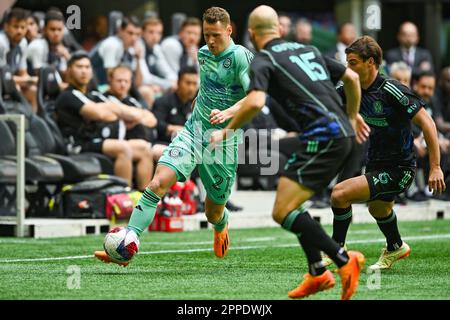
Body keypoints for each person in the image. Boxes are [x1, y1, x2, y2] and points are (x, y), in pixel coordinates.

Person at [211, 5, 366, 300]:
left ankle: (344, 260)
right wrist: (352, 115)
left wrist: (227, 131)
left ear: (253, 34)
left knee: (282, 211)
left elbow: (255, 102)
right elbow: (353, 79)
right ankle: (318, 272)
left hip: (324, 138)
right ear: (280, 30)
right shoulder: (308, 50)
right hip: (338, 134)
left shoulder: (264, 59)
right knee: (290, 199)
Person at [94, 7, 252, 264]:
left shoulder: (241, 57)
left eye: (215, 35)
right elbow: (210, 87)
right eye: (206, 35)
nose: (210, 41)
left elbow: (254, 97)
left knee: (212, 212)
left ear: (229, 30)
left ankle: (221, 223)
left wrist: (226, 114)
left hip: (223, 141)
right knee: (158, 183)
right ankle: (128, 242)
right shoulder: (202, 54)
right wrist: (197, 105)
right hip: (193, 132)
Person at [327, 36, 445, 270]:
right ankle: (396, 246)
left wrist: (435, 166)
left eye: (352, 62)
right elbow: (326, 102)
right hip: (375, 162)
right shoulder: (351, 87)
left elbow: (428, 123)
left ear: (370, 62)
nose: (348, 68)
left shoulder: (392, 90)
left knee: (339, 194)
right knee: (378, 208)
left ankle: (335, 250)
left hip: (400, 168)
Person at [55, 51, 155, 190]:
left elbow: (118, 111)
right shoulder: (68, 95)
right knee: (123, 148)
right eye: (79, 67)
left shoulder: (94, 95)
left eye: (87, 67)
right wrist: (115, 111)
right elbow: (99, 114)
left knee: (144, 148)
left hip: (98, 141)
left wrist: (112, 109)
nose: (84, 71)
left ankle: (146, 201)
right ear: (69, 71)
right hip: (78, 144)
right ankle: (123, 198)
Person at [0, 8, 38, 112]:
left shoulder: (23, 43)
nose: (19, 31)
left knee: (33, 91)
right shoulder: (1, 42)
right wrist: (30, 80)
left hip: (11, 84)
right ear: (6, 27)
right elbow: (2, 78)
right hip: (2, 84)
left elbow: (23, 73)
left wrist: (29, 81)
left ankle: (33, 123)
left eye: (23, 27)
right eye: (16, 27)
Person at [27, 9, 72, 77]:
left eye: (59, 29)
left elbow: (65, 75)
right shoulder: (37, 46)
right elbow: (40, 76)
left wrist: (68, 57)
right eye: (52, 29)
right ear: (44, 30)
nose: (56, 33)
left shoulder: (61, 49)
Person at [140, 17, 177, 94]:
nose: (155, 36)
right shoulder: (138, 46)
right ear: (142, 33)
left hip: (153, 85)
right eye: (151, 32)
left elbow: (166, 71)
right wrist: (168, 84)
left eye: (158, 33)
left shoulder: (156, 48)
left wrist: (174, 81)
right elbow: (144, 78)